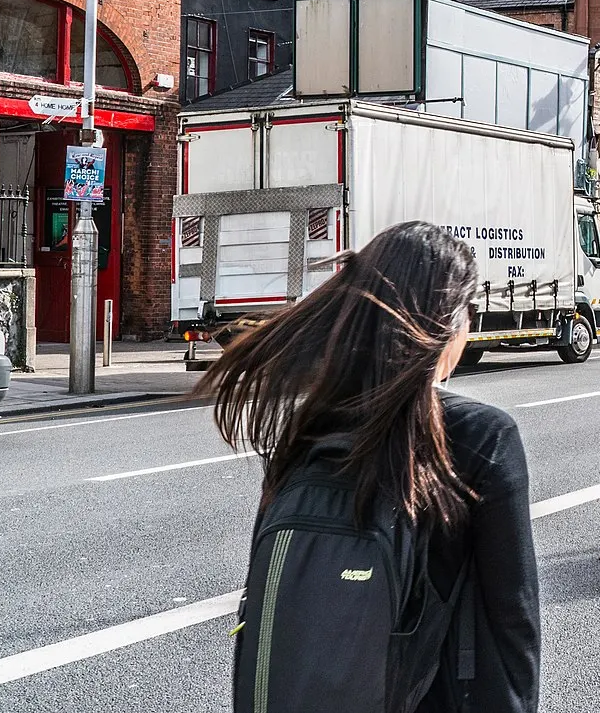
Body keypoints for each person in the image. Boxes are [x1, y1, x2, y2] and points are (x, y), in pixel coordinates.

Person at [201, 224, 539, 712]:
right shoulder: (480, 437)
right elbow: (512, 621)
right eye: (469, 311)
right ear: (445, 322)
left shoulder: (309, 429)